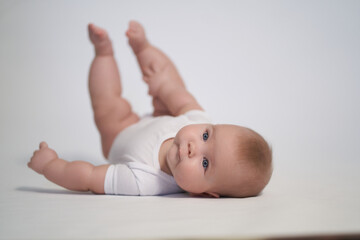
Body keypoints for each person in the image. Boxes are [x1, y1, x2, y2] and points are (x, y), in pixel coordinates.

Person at [28, 21, 273, 198]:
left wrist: (51, 167)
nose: (193, 147)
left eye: (206, 163)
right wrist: (163, 88)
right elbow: (182, 100)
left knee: (108, 104)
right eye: (206, 135)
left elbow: (89, 177)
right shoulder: (198, 120)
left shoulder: (143, 181)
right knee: (175, 87)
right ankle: (143, 48)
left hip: (120, 131)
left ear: (206, 193)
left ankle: (103, 53)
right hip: (160, 118)